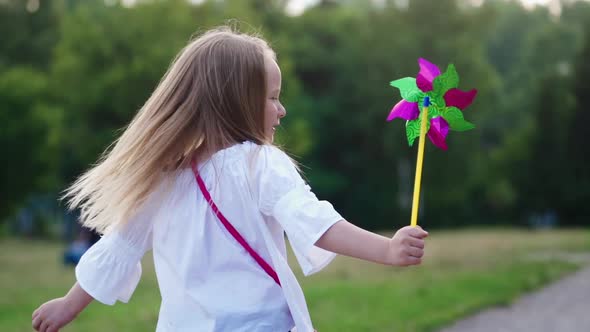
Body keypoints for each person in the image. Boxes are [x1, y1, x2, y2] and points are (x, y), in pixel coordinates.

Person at [32, 26, 428, 332]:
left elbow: (119, 247)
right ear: (235, 102)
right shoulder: (260, 163)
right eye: (273, 97)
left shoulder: (164, 177)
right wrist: (388, 250)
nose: (282, 109)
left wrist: (69, 305)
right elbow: (316, 223)